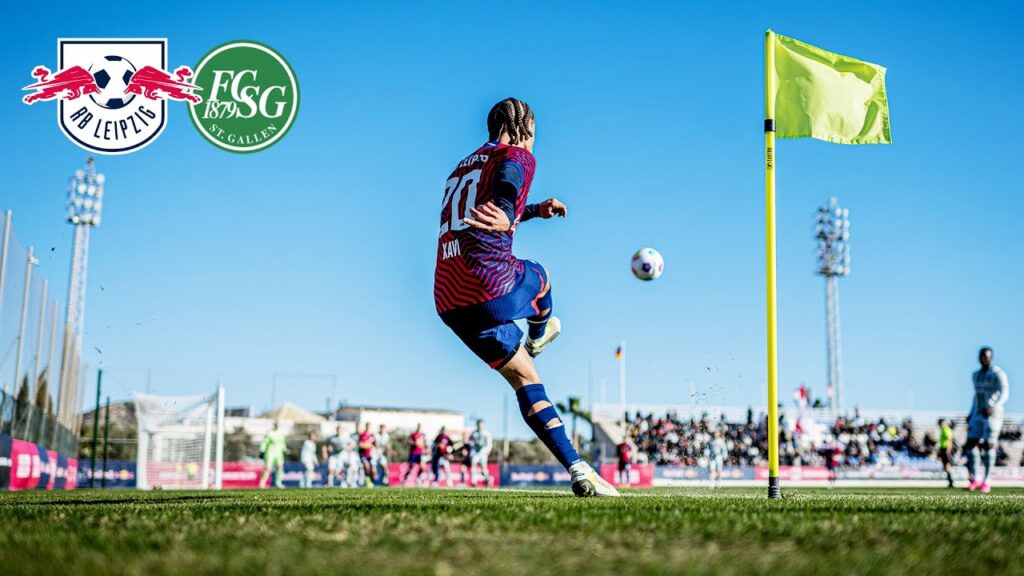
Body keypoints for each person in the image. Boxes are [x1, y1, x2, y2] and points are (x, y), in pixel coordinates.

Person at [433, 97, 618, 497]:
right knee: (542, 277)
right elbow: (509, 182)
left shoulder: (459, 168)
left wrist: (533, 210)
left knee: (525, 378)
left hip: (449, 296)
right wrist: (506, 205)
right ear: (525, 129)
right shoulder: (517, 153)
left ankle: (579, 469)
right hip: (490, 283)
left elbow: (490, 204)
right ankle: (537, 336)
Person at [964, 347, 1010, 493]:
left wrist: (994, 406)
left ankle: (987, 481)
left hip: (992, 415)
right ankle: (975, 479)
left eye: (986, 356)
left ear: (991, 357)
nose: (984, 359)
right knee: (971, 444)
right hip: (978, 413)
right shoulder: (976, 375)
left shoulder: (997, 374)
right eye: (982, 356)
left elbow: (1005, 391)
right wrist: (971, 412)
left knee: (989, 445)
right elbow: (976, 395)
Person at [259, 419, 287, 489]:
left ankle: (278, 482)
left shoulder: (282, 433)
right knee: (268, 468)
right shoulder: (270, 432)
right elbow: (265, 442)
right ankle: (262, 482)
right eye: (276, 423)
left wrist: (284, 450)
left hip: (279, 453)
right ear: (274, 424)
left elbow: (283, 443)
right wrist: (262, 450)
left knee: (280, 467)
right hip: (270, 452)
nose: (277, 424)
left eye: (278, 423)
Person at [469, 419, 493, 486]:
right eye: (479, 424)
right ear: (477, 425)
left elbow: (489, 444)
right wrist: (471, 447)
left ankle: (487, 479)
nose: (480, 426)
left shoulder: (486, 433)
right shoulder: (474, 433)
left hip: (483, 452)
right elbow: (470, 441)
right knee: (473, 464)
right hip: (476, 452)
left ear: (483, 425)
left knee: (483, 468)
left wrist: (488, 450)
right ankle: (473, 482)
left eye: (481, 424)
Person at [357, 422, 377, 487]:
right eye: (367, 426)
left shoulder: (372, 435)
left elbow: (376, 445)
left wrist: (369, 444)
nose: (369, 428)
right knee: (366, 466)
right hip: (363, 455)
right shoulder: (362, 435)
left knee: (373, 469)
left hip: (371, 455)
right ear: (365, 427)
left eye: (370, 426)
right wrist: (369, 444)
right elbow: (361, 445)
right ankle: (367, 481)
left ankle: (372, 481)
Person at [937, 418, 955, 488]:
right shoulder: (943, 430)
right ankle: (950, 480)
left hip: (946, 449)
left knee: (947, 465)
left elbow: (949, 439)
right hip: (943, 449)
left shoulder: (946, 429)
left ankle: (951, 480)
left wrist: (948, 449)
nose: (940, 425)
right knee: (945, 466)